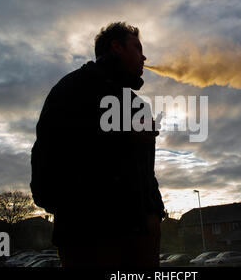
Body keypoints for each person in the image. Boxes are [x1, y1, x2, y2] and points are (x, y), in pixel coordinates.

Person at [30, 22, 166, 267]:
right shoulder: (71, 89)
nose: (144, 57)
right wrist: (125, 137)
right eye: (137, 47)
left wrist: (154, 214)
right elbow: (50, 154)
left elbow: (146, 173)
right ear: (116, 47)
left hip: (140, 237)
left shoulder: (137, 105)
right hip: (88, 234)